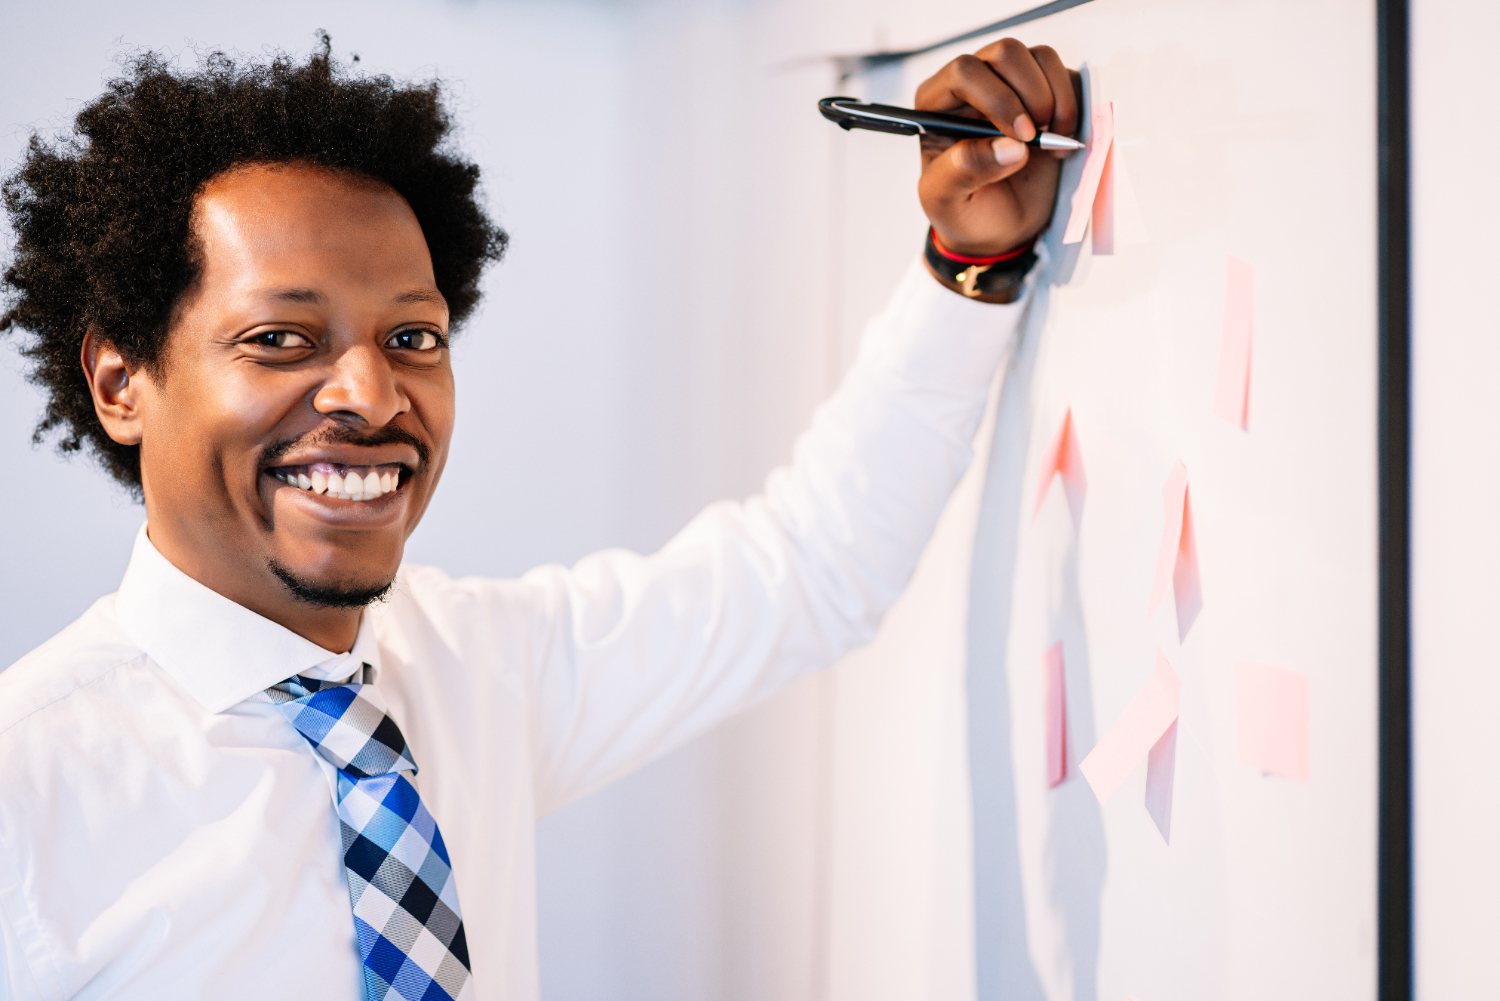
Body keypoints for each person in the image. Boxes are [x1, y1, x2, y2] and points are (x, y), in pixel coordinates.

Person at [0, 35, 1078, 1001]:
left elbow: (809, 569)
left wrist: (968, 266)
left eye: (413, 337)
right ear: (120, 379)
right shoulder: (27, 786)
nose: (372, 397)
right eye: (281, 339)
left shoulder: (472, 668)